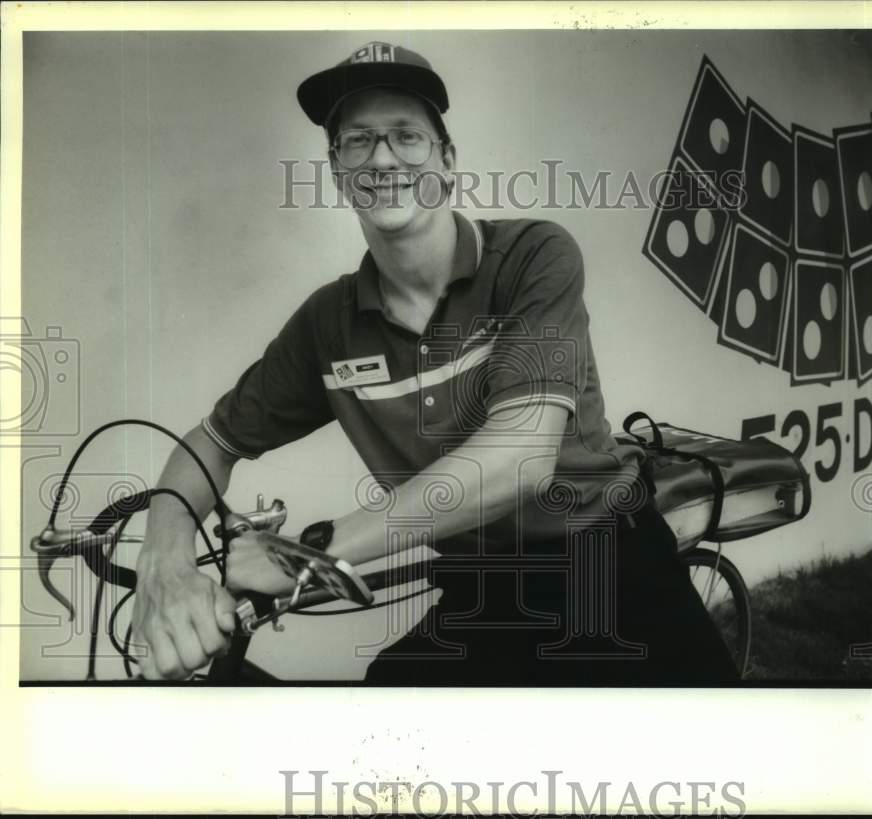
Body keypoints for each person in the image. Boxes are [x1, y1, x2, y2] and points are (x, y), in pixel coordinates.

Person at [131, 40, 738, 684]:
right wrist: (164, 558)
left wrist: (306, 556)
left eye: (406, 136)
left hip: (609, 561)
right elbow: (210, 443)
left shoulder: (532, 256)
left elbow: (520, 457)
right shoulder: (325, 325)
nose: (383, 157)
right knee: (392, 726)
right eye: (357, 140)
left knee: (700, 746)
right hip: (484, 586)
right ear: (339, 173)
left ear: (446, 162)